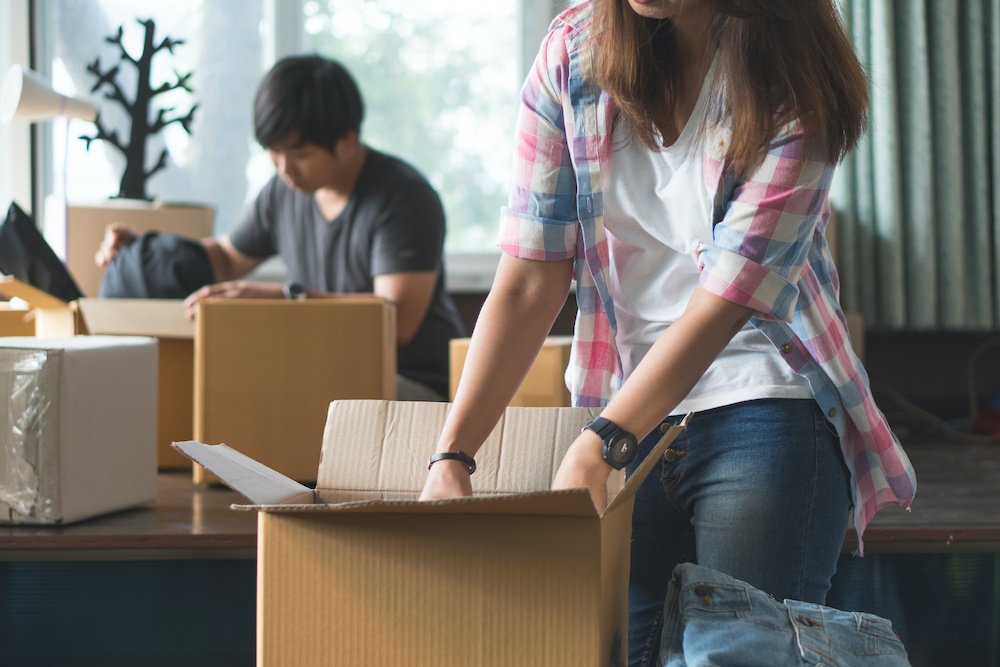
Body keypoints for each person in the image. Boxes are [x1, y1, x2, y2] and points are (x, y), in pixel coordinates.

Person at [418, 2, 916, 666]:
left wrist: (603, 443)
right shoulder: (572, 53)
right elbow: (530, 275)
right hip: (627, 406)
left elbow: (728, 300)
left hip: (763, 402)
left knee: (743, 655)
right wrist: (452, 454)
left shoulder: (796, 75)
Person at [96, 55, 466, 401]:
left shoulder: (403, 197)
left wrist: (285, 300)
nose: (285, 169)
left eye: (300, 154)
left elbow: (397, 321)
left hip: (416, 384)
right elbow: (225, 258)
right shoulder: (283, 192)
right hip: (331, 371)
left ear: (347, 139)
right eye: (273, 152)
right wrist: (143, 254)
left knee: (276, 394)